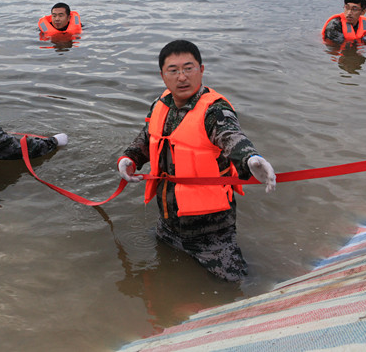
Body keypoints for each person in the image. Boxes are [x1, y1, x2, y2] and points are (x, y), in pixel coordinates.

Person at [116, 40, 277, 282]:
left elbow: (231, 136)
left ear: (201, 70)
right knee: (163, 272)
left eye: (189, 68)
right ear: (162, 75)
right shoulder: (160, 105)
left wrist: (251, 158)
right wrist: (131, 158)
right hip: (168, 222)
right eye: (173, 70)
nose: (182, 77)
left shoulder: (215, 111)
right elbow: (148, 137)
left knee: (237, 283)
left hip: (211, 231)